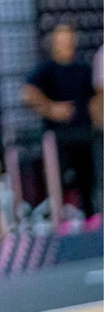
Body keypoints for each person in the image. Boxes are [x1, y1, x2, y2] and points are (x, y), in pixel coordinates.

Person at [24, 23, 98, 217]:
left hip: (83, 135)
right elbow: (28, 94)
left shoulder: (83, 68)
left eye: (69, 38)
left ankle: (90, 217)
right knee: (57, 180)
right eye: (62, 39)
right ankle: (58, 217)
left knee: (87, 182)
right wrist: (51, 109)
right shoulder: (46, 69)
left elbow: (95, 99)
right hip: (57, 139)